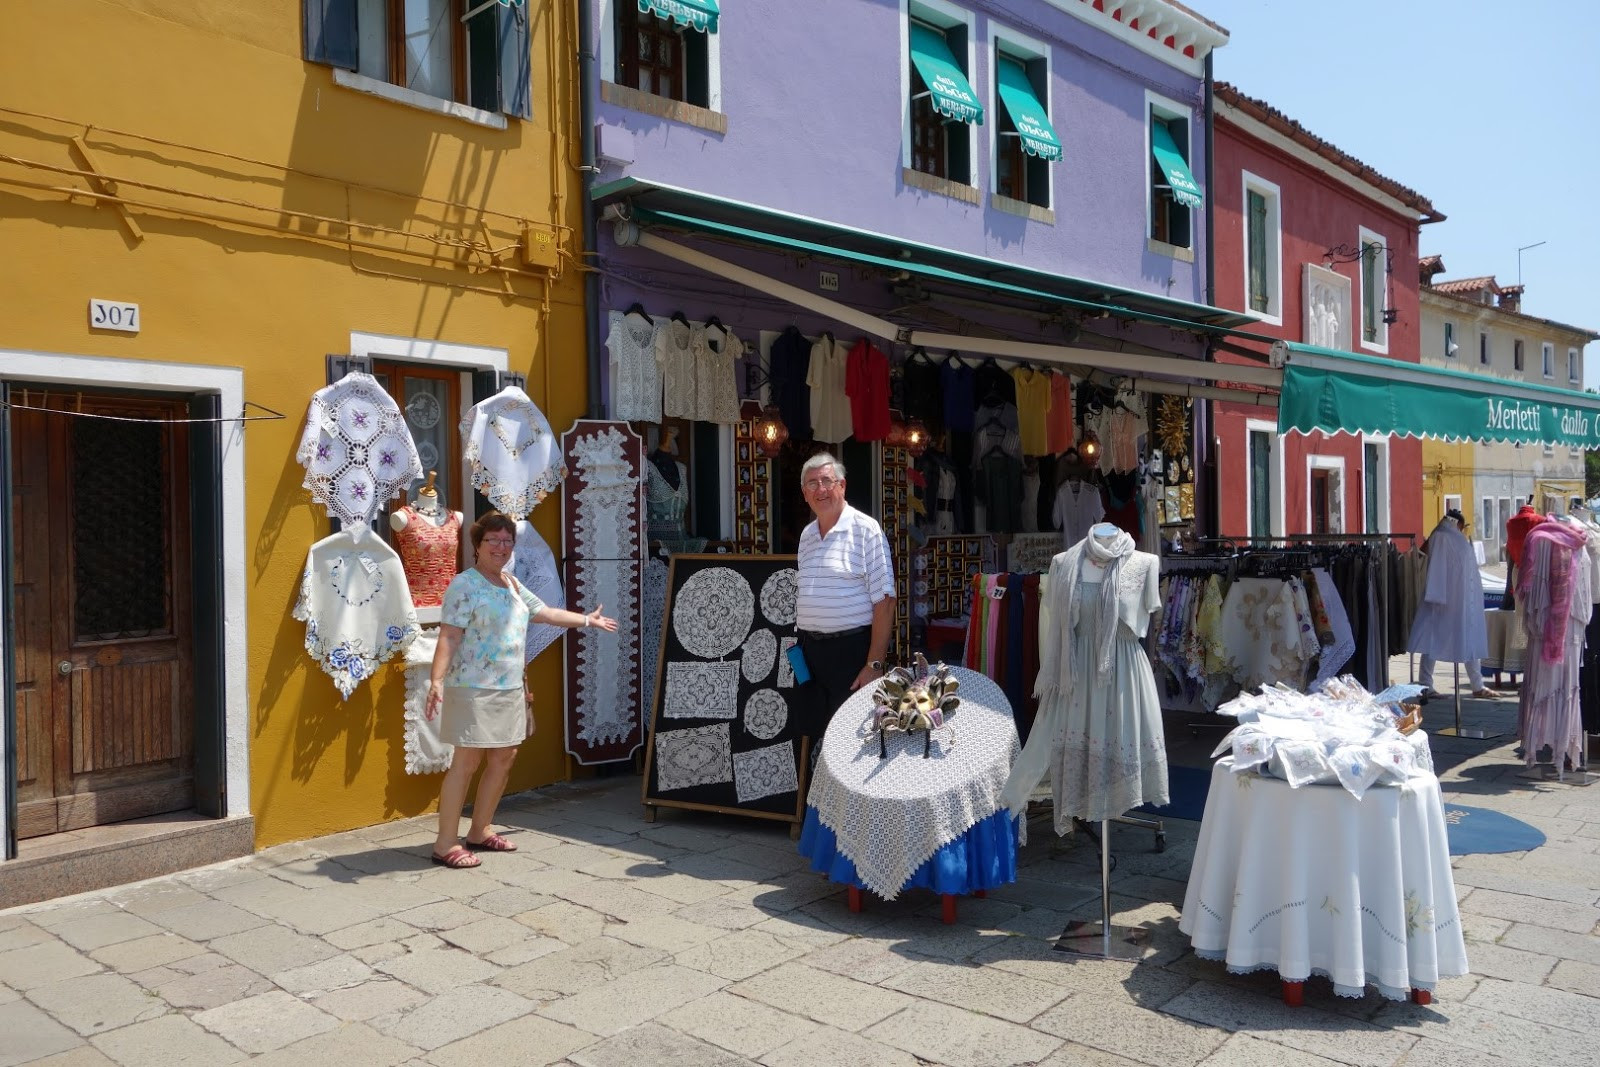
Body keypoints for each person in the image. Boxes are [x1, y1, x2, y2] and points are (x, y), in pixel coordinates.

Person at [426, 512, 617, 869]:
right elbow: (450, 635)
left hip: (510, 687)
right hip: (472, 688)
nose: (500, 547)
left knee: (503, 758)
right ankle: (444, 843)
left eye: (507, 540)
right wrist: (436, 679)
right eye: (493, 540)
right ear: (477, 546)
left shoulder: (511, 584)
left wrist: (586, 620)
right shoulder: (464, 585)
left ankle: (479, 831)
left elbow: (543, 612)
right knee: (465, 763)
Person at [793, 452, 896, 742]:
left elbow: (885, 601)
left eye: (827, 480)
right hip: (811, 653)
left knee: (852, 741)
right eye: (812, 483)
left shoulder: (866, 529)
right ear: (804, 494)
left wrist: (874, 664)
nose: (820, 489)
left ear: (842, 486)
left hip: (851, 653)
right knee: (813, 735)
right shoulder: (807, 535)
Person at [1410, 508, 1498, 699]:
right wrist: (1437, 594)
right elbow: (1425, 557)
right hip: (1444, 598)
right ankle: (1426, 684)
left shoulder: (1447, 536)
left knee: (1466, 638)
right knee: (1433, 639)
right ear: (1458, 524)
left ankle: (1476, 685)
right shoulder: (1443, 536)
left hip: (1458, 599)